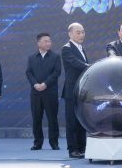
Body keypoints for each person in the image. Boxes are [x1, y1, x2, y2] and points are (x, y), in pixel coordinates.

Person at [26, 32, 62, 151]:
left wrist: (45, 84)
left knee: (52, 118)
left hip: (50, 92)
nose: (48, 43)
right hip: (35, 93)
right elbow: (29, 73)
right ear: (38, 43)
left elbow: (56, 72)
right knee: (36, 118)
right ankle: (37, 143)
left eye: (49, 41)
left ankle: (54, 143)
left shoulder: (55, 56)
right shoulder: (32, 57)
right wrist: (36, 84)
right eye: (45, 41)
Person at [61, 22, 90, 159]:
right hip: (72, 90)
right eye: (78, 32)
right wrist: (91, 67)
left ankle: (82, 147)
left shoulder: (81, 48)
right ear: (70, 34)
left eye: (83, 32)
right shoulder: (66, 49)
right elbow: (76, 63)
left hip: (82, 90)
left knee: (81, 120)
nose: (81, 35)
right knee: (72, 121)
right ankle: (72, 149)